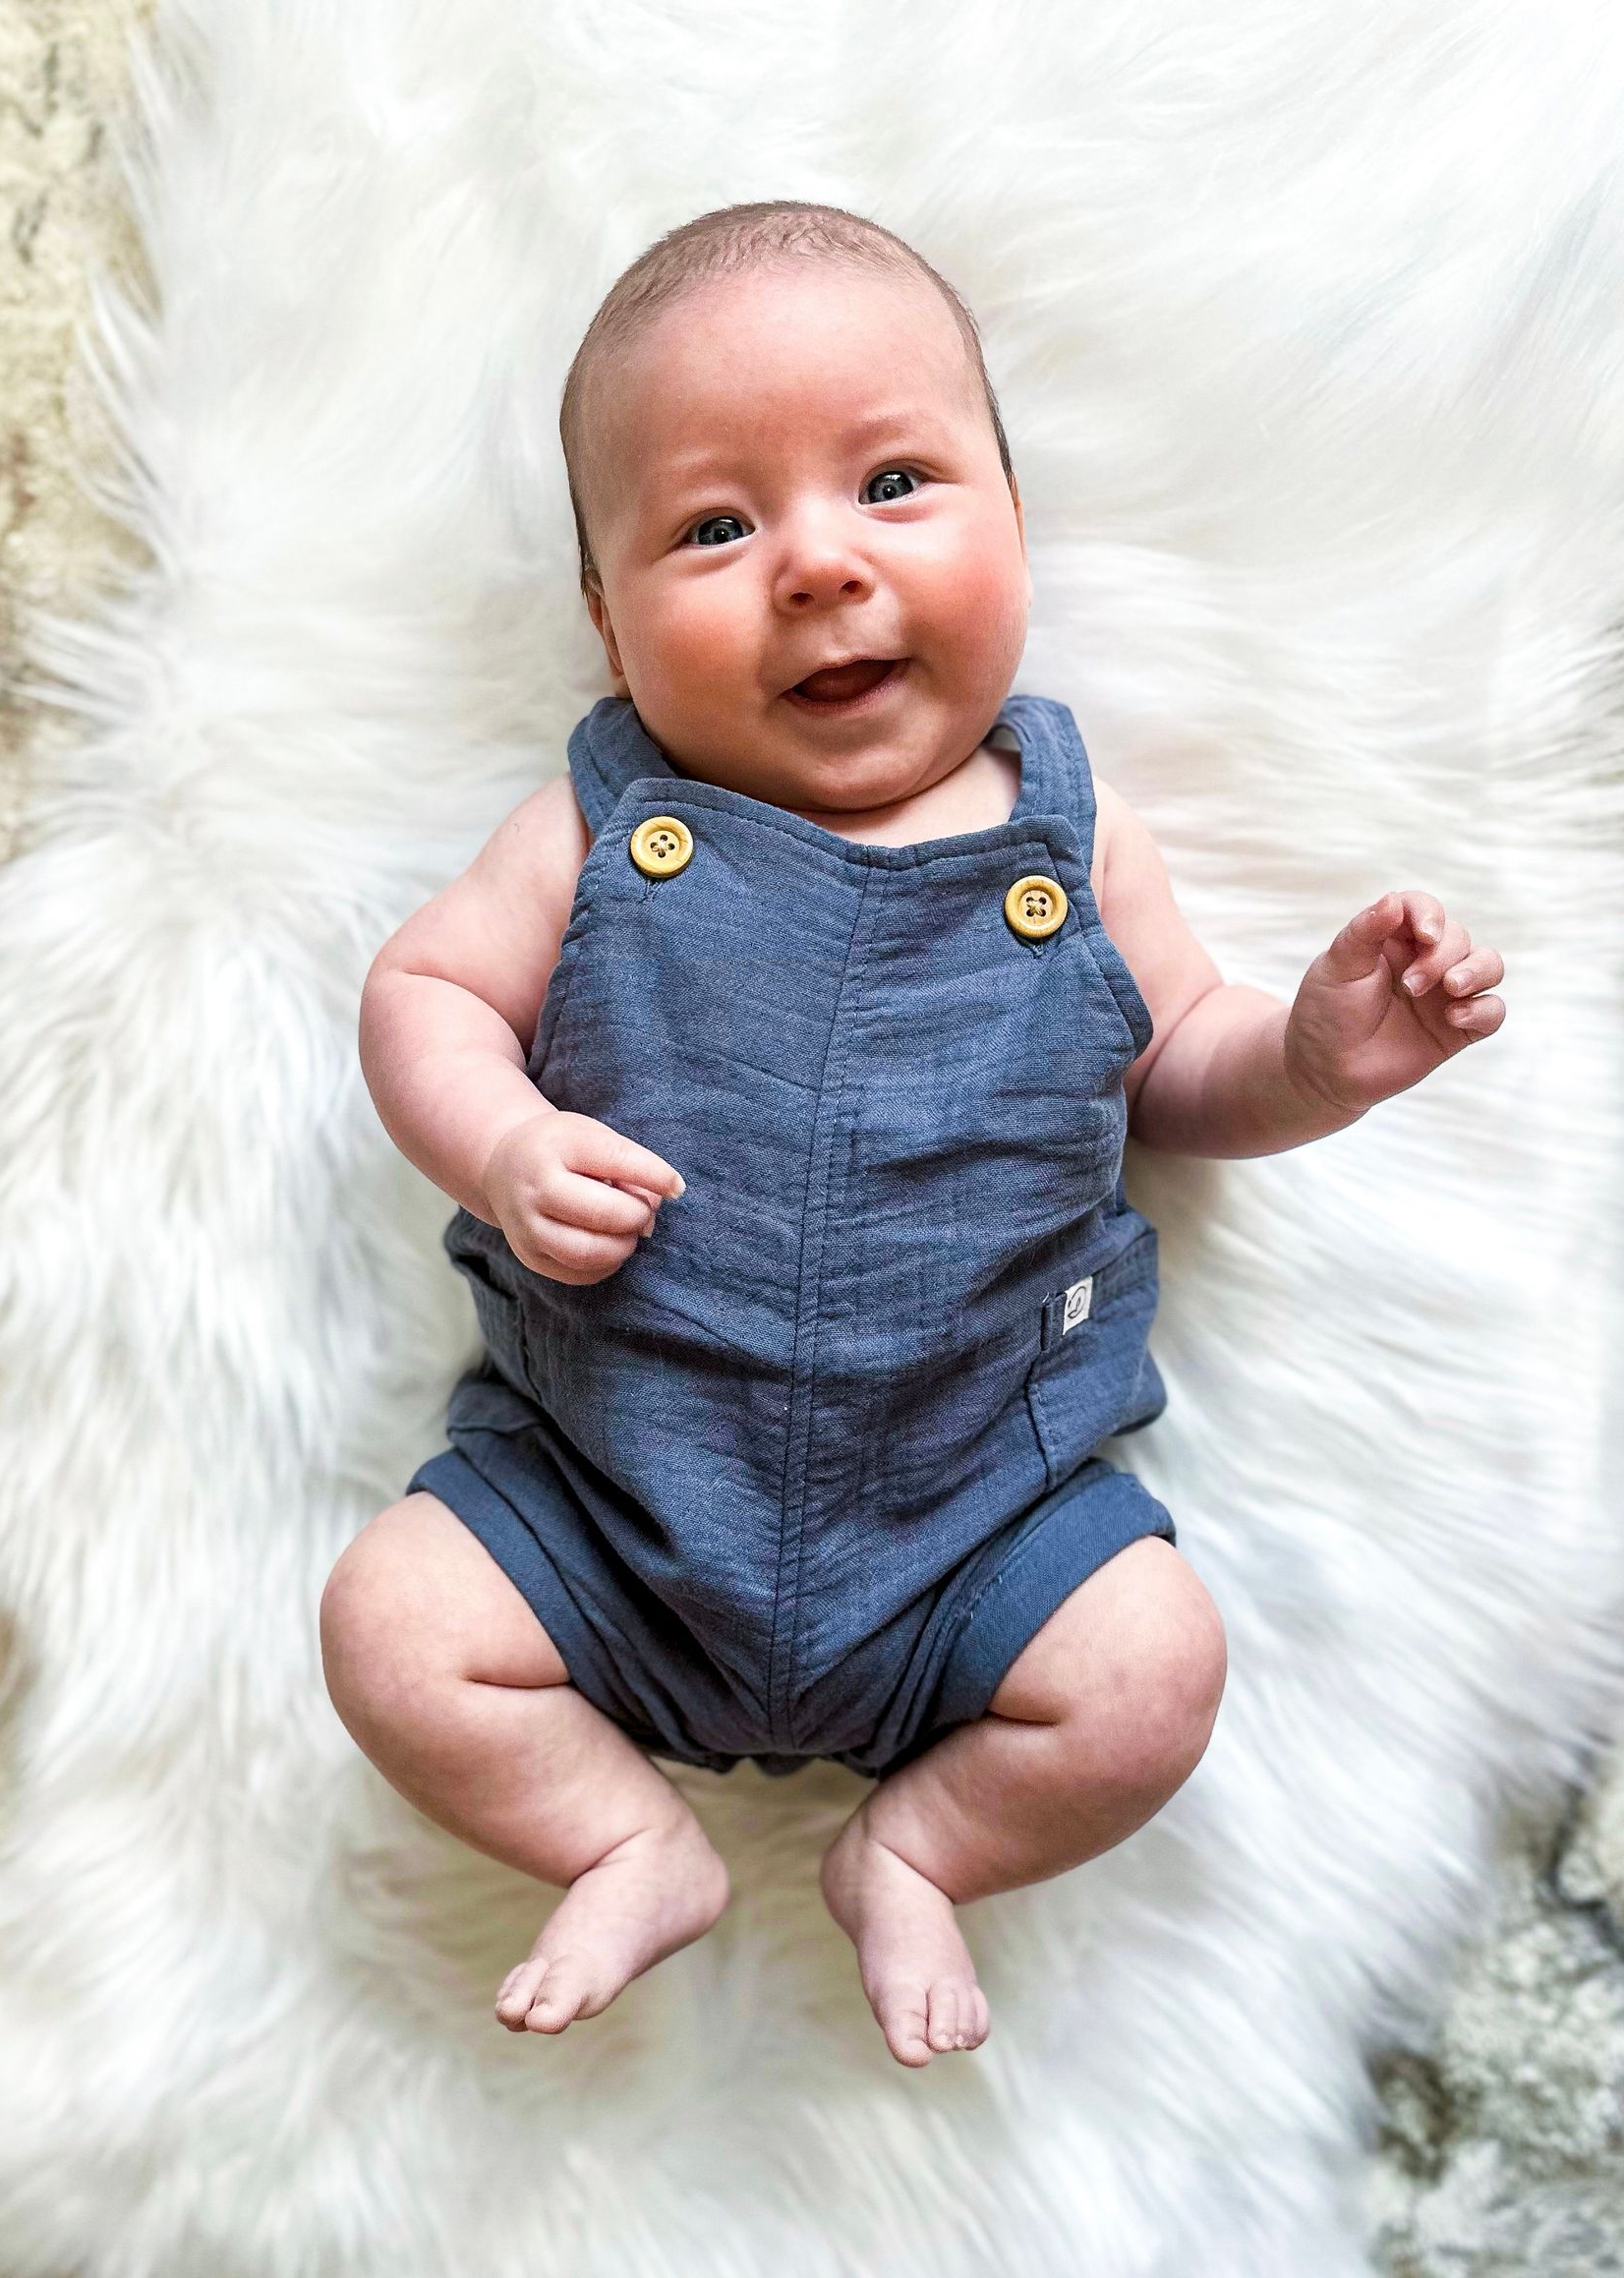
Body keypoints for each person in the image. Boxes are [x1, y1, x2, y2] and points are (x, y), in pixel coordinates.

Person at [321, 201, 1507, 2071]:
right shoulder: (598, 826)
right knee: (392, 1629)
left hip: (979, 1526)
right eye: (715, 526)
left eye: (892, 483)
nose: (813, 565)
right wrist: (497, 1140)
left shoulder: (1071, 834)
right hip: (607, 1513)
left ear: (1015, 522)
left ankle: (919, 1844)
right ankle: (624, 1833)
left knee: (1154, 1675)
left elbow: (1178, 1064)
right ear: (606, 622)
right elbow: (423, 994)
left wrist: (1317, 1051)